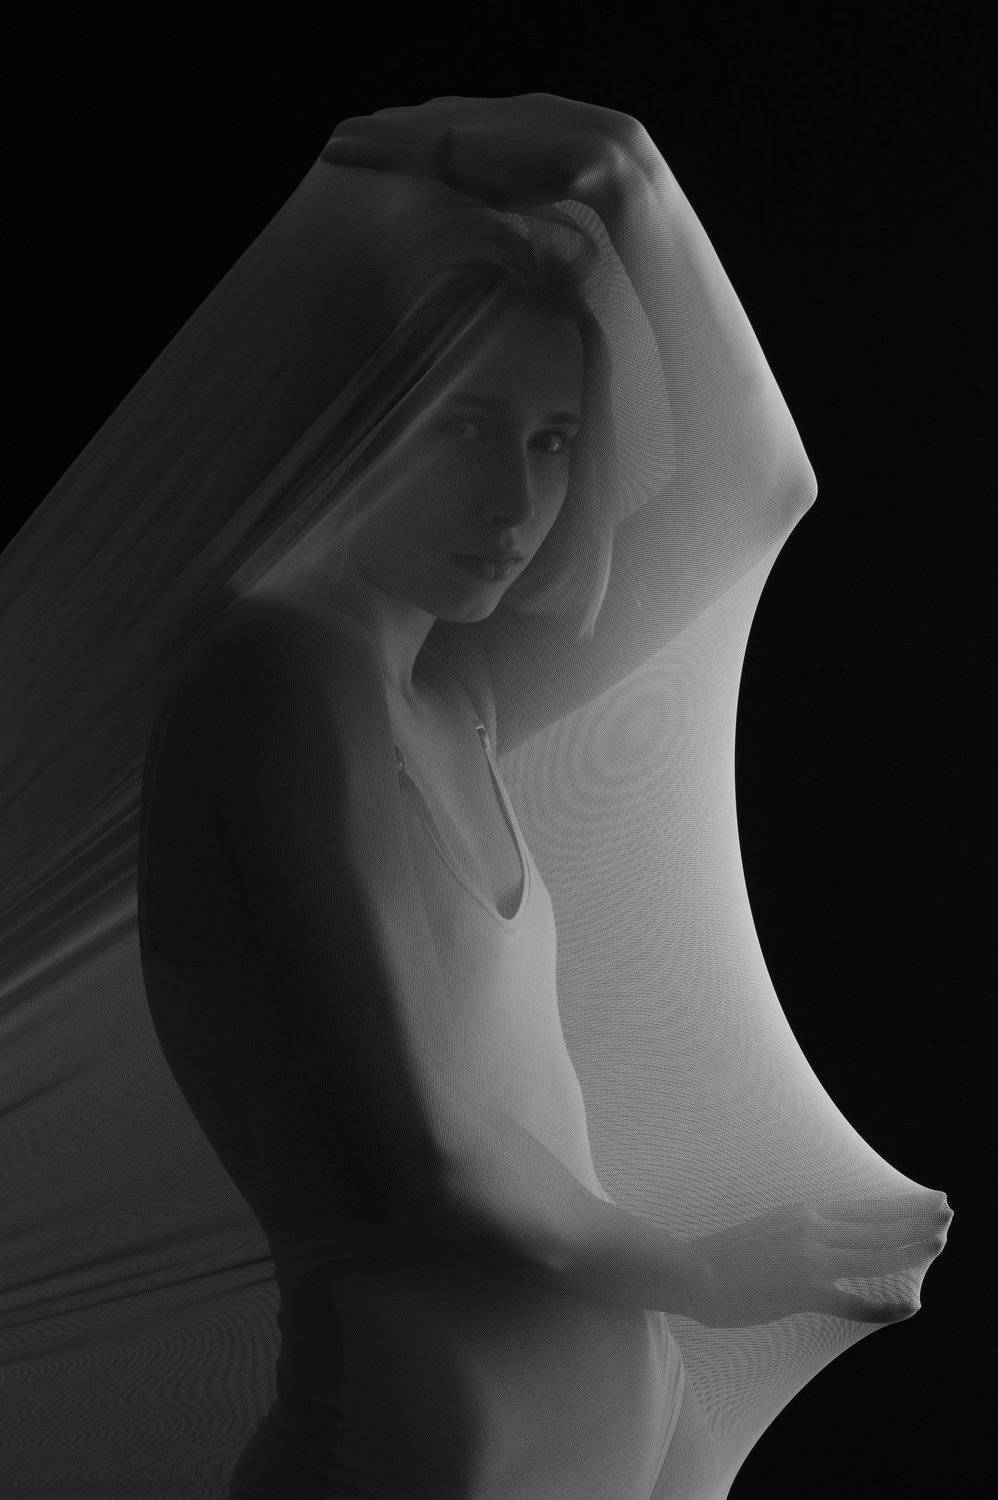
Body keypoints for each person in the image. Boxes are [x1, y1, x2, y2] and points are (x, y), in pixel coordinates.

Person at [4, 94, 952, 1499]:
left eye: (555, 439)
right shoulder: (273, 679)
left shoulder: (455, 694)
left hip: (578, 1439)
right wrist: (704, 1275)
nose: (515, 498)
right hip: (409, 1453)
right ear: (352, 421)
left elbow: (755, 490)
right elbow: (431, 1163)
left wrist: (634, 194)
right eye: (464, 425)